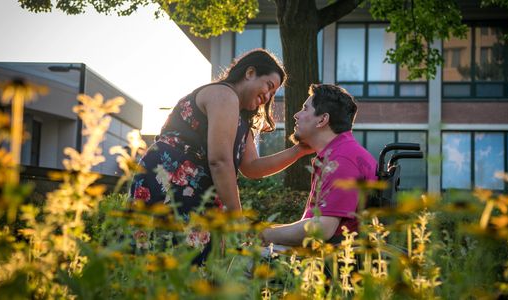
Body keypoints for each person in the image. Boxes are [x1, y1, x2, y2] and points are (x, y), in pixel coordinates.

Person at [130, 49, 313, 261]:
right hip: (169, 181)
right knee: (170, 262)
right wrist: (237, 218)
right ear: (250, 72)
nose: (268, 96)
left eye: (273, 94)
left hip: (199, 191)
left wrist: (299, 150)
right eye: (268, 86)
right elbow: (220, 161)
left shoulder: (242, 119)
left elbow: (252, 167)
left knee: (195, 267)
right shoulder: (223, 95)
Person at [260, 84, 377, 246]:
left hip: (332, 259)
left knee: (244, 260)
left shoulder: (341, 161)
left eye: (305, 109)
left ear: (322, 119)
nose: (296, 115)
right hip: (334, 253)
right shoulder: (345, 153)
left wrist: (264, 235)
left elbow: (323, 228)